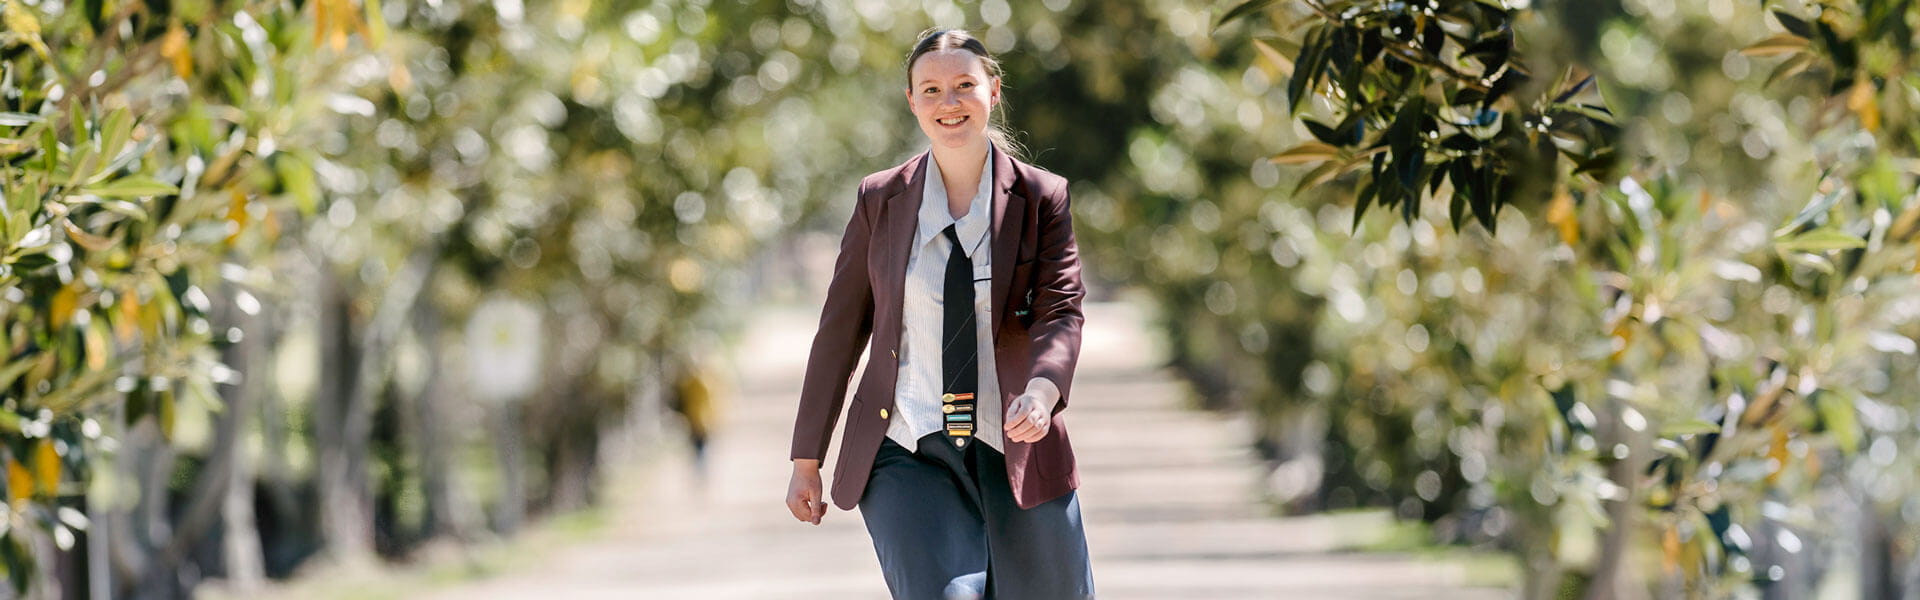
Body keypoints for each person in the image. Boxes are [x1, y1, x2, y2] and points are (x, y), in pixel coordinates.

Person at [783, 28, 1094, 600]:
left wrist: (1044, 393)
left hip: (1015, 444)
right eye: (930, 89)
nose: (947, 103)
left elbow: (1061, 308)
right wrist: (808, 458)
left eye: (963, 86)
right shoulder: (881, 201)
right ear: (911, 101)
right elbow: (839, 331)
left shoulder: (1042, 197)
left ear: (992, 92)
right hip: (905, 447)